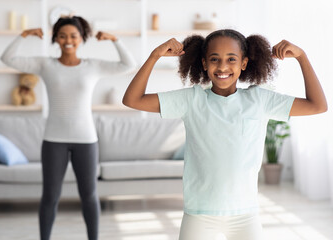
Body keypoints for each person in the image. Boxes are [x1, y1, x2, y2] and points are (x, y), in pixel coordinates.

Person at [122, 29, 327, 240]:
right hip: (199, 215)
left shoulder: (261, 100)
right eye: (214, 59)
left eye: (231, 59)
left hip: (246, 215)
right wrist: (154, 56)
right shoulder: (191, 100)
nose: (222, 67)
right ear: (204, 63)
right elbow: (132, 100)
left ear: (244, 63)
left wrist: (302, 57)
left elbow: (317, 106)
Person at [1, 16, 136, 240]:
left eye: (73, 35)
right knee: (50, 196)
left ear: (82, 38)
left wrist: (115, 40)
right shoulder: (46, 65)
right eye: (62, 35)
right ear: (55, 39)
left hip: (86, 141)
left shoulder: (93, 66)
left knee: (89, 195)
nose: (68, 40)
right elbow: (7, 58)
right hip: (54, 140)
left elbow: (129, 65)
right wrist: (24, 35)